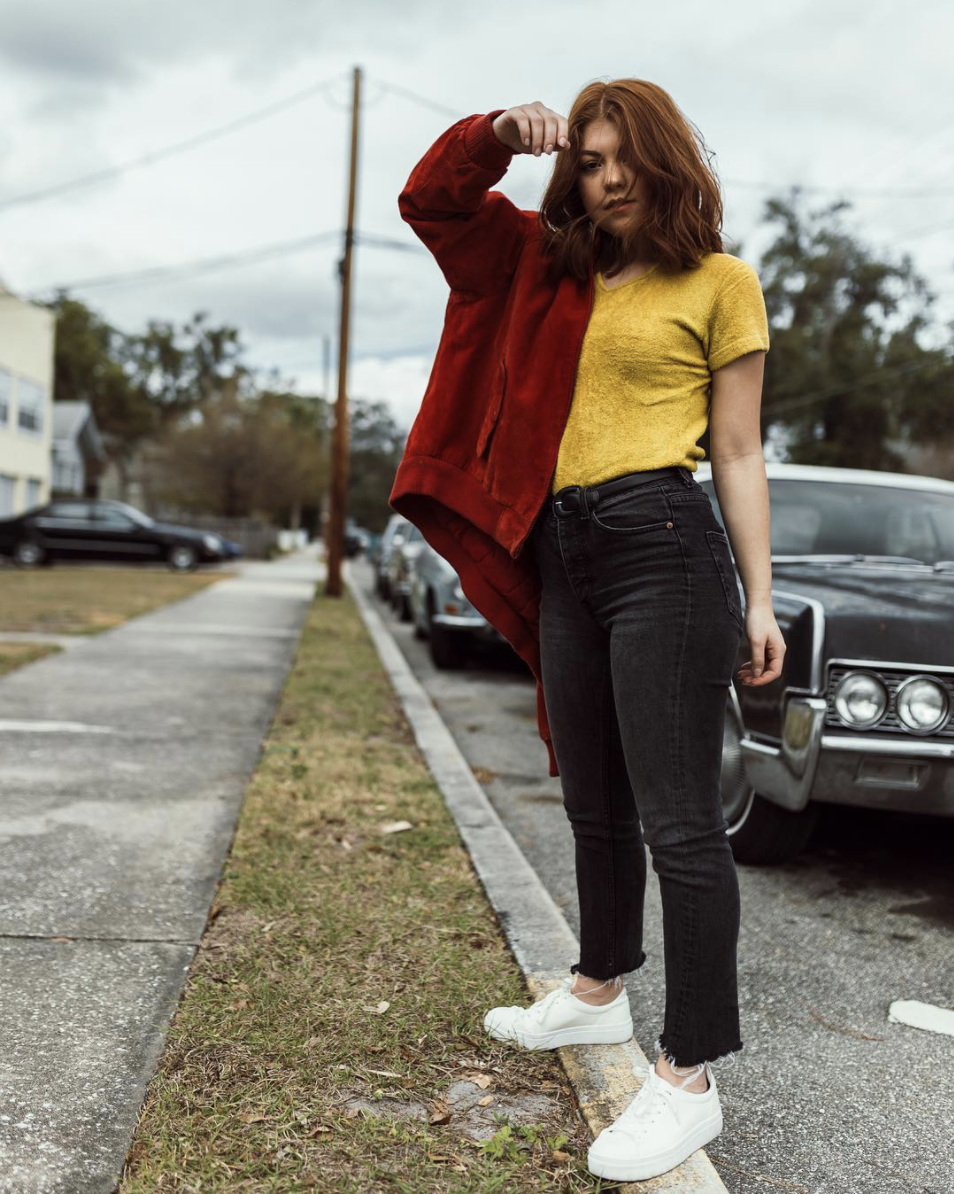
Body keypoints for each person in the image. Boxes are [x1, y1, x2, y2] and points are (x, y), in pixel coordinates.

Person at [394, 80, 786, 1183]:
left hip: (664, 538)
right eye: (592, 160)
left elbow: (742, 453)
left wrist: (759, 598)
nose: (607, 178)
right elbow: (432, 203)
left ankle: (691, 1076)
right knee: (590, 798)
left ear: (664, 162)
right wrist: (492, 137)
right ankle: (598, 991)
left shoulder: (722, 284)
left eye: (625, 159)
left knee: (679, 821)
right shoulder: (545, 265)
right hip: (561, 549)